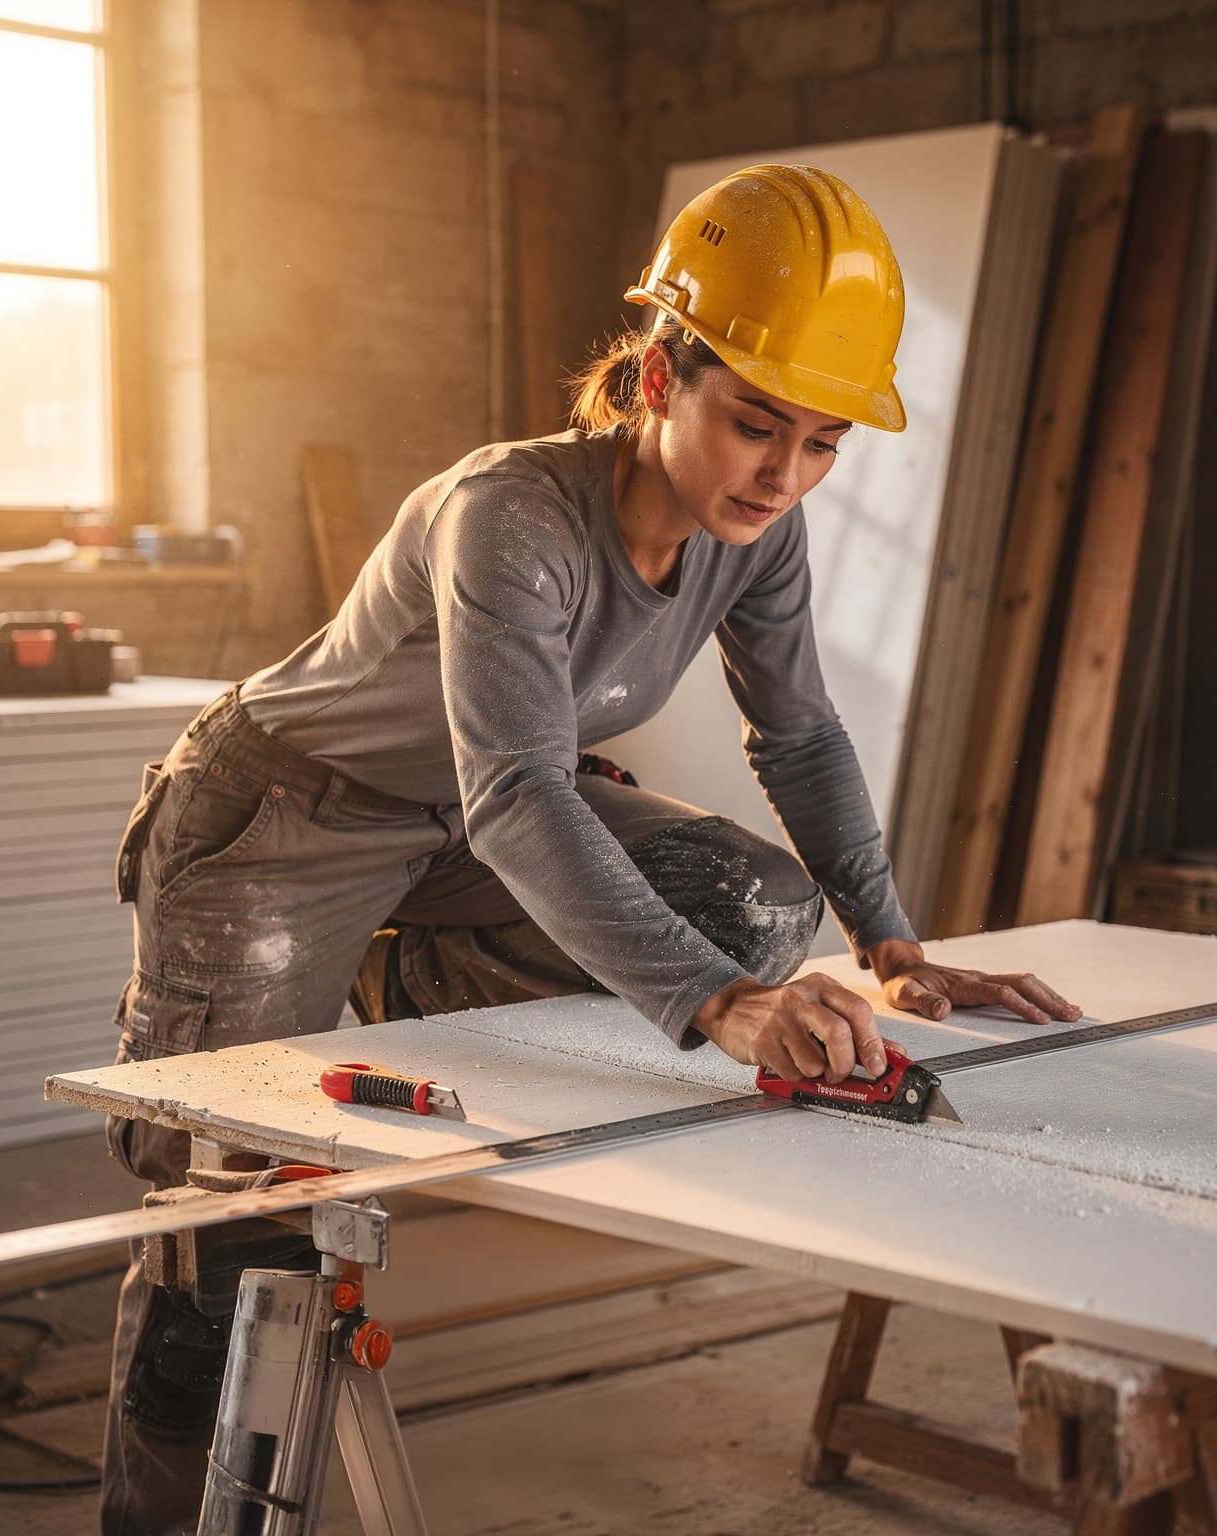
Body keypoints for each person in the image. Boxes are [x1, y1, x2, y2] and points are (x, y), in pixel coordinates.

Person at [99, 162, 1081, 1534]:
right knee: (233, 1240)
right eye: (754, 424)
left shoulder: (756, 541)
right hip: (279, 822)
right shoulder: (509, 517)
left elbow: (799, 736)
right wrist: (719, 1011)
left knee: (749, 904)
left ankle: (398, 983)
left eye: (819, 445)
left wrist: (894, 945)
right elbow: (518, 795)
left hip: (449, 830)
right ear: (656, 376)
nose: (782, 474)